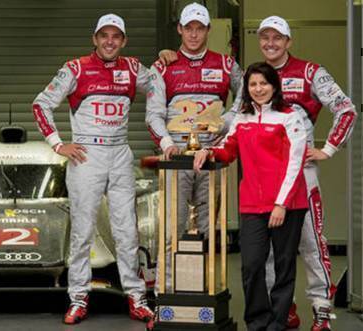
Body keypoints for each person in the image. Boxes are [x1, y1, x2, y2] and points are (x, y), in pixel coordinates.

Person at [160, 15, 358, 331]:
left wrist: (328, 149)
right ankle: (281, 310)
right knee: (262, 254)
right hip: (260, 180)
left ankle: (321, 308)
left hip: (298, 175)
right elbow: (234, 118)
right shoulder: (254, 75)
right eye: (265, 37)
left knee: (310, 243)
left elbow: (346, 110)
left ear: (288, 41)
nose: (270, 43)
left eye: (277, 38)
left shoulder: (309, 72)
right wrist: (202, 136)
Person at [32, 13, 154, 325]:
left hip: (120, 154)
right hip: (87, 154)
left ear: (123, 41)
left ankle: (136, 298)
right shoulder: (75, 68)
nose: (110, 41)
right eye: (104, 35)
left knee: (127, 229)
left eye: (116, 36)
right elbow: (41, 104)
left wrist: (166, 60)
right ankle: (78, 298)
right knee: (82, 231)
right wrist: (59, 144)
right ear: (95, 39)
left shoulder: (132, 68)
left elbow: (161, 86)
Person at [194, 62, 308, 331]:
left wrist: (281, 204)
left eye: (263, 83)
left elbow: (296, 161)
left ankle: (277, 324)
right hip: (252, 205)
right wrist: (209, 152)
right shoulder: (242, 118)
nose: (258, 89)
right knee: (252, 265)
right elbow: (228, 150)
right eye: (252, 84)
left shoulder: (290, 117)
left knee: (283, 266)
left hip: (287, 204)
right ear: (246, 88)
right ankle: (257, 322)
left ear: (274, 86)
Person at [145, 2, 243, 293]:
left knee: (206, 228)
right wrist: (165, 143)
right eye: (189, 28)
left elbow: (246, 96)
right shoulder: (163, 66)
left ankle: (200, 290)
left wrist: (224, 124)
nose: (194, 34)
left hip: (210, 156)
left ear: (208, 30)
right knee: (171, 229)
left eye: (200, 28)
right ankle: (167, 294)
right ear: (179, 29)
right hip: (176, 157)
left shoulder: (227, 64)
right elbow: (153, 114)